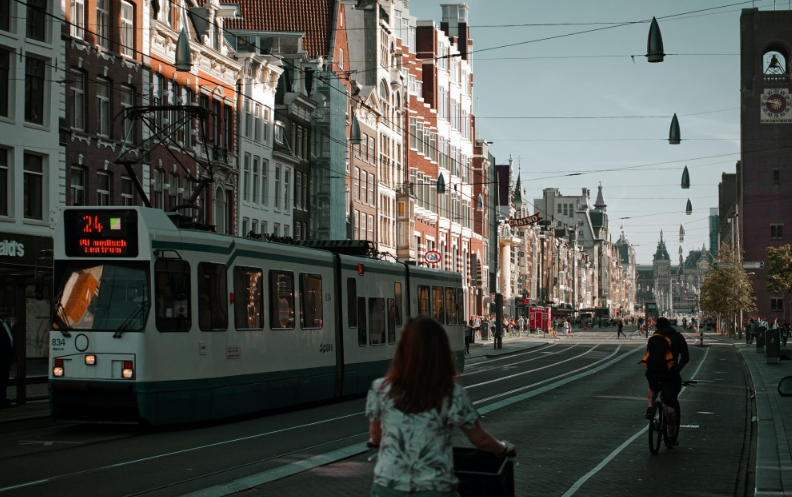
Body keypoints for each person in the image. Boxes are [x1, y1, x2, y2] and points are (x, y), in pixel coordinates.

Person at [366, 317, 515, 496]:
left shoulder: (380, 388)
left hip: (387, 485)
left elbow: (376, 436)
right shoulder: (451, 392)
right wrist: (503, 448)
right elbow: (480, 440)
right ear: (442, 352)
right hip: (434, 486)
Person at [644, 317, 690, 447]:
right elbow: (685, 358)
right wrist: (677, 370)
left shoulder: (654, 337)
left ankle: (650, 408)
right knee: (670, 403)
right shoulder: (677, 336)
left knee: (653, 387)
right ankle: (671, 437)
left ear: (657, 326)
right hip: (670, 374)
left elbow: (649, 355)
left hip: (652, 372)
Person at [0, 316, 14, 408]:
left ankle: (3, 400)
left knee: (4, 379)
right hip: (1, 357)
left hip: (6, 358)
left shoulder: (4, 322)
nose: (3, 312)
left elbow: (10, 339)